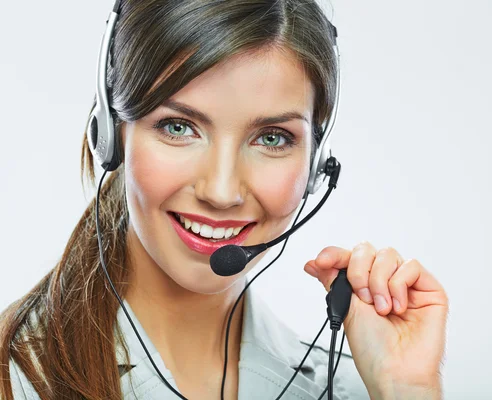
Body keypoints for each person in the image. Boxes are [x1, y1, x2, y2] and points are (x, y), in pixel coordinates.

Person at [0, 1, 448, 399]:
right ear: (111, 134)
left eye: (272, 138)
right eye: (179, 127)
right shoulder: (14, 378)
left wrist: (405, 390)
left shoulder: (350, 388)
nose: (221, 191)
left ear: (316, 165)